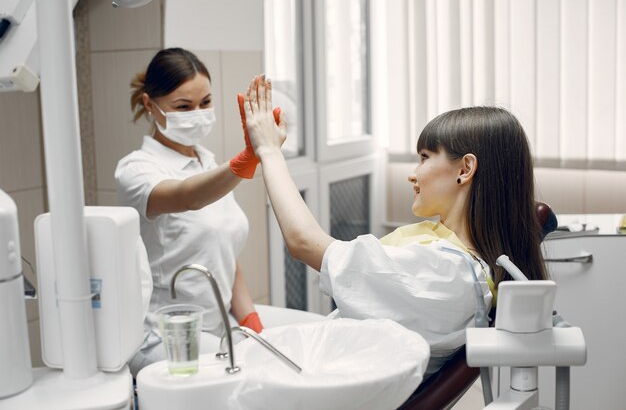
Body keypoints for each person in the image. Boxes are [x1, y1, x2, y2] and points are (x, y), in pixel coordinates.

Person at [240, 75, 549, 378]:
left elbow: (303, 242)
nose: (413, 175)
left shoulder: (445, 273)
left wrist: (269, 150)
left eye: (425, 158)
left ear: (465, 169)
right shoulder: (445, 254)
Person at [115, 49, 278, 376]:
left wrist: (252, 322)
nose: (198, 113)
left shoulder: (207, 161)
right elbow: (186, 196)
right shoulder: (136, 170)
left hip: (216, 328)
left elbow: (223, 252)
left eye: (205, 102)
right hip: (165, 336)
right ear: (150, 105)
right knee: (262, 378)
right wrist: (248, 158)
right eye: (183, 107)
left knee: (288, 354)